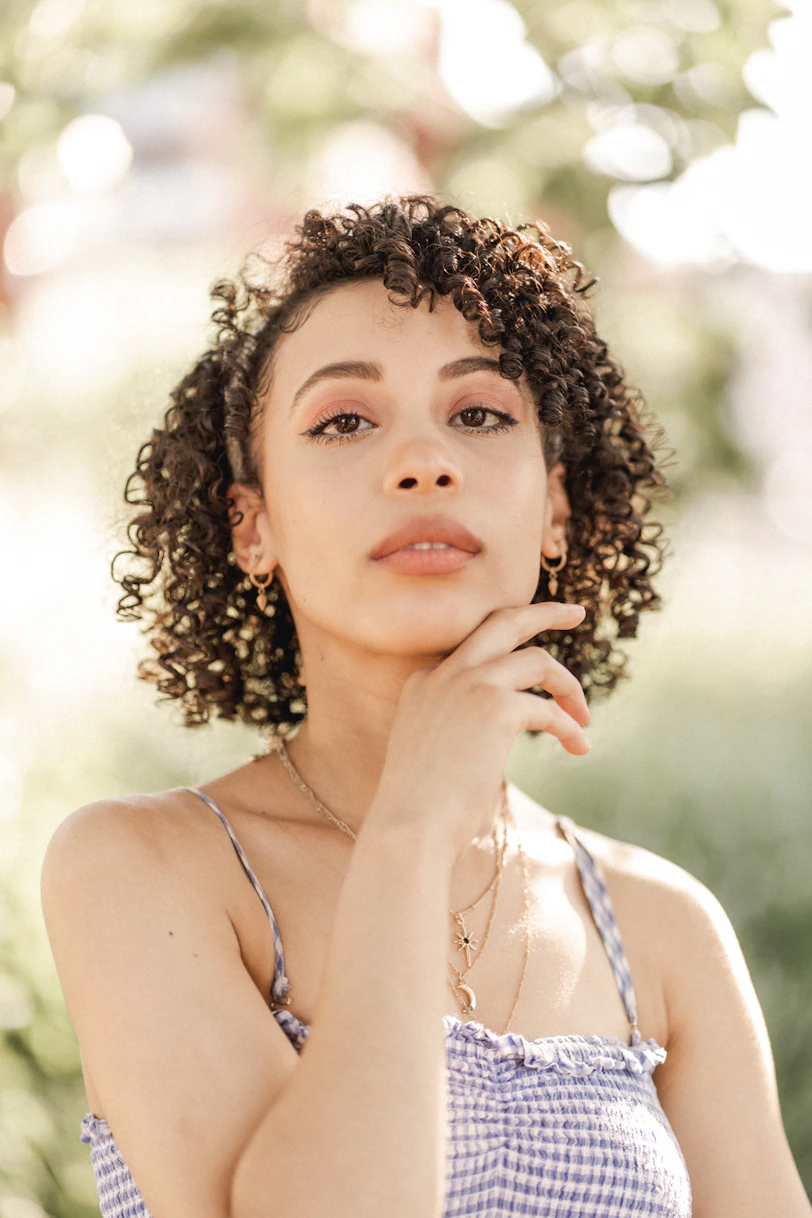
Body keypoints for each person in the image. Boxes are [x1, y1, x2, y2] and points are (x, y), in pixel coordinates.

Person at [40, 195, 810, 1218]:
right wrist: (411, 825)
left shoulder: (662, 927)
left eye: (478, 413)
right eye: (344, 420)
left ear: (557, 508)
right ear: (250, 525)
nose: (423, 461)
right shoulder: (141, 867)